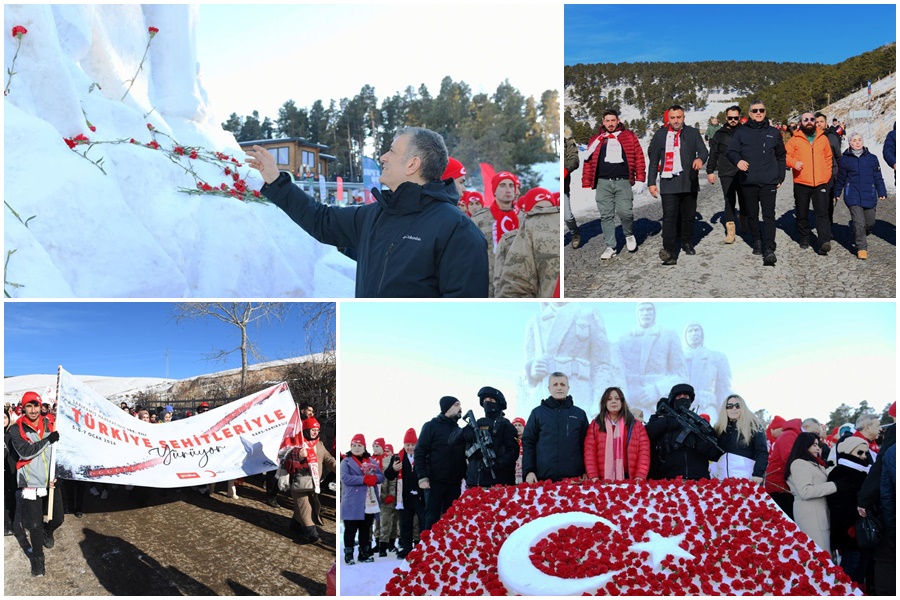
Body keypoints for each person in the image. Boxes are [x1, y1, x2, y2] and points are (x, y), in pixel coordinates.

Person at [247, 127, 489, 297]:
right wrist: (276, 180)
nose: (383, 156)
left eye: (392, 151)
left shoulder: (457, 230)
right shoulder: (373, 215)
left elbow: (463, 309)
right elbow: (320, 219)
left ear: (412, 164)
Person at [8, 392, 63, 577]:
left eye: (36, 405)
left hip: (51, 481)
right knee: (34, 524)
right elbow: (24, 452)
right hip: (31, 481)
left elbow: (60, 451)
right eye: (29, 406)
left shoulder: (50, 424)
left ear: (41, 407)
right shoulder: (16, 429)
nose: (33, 410)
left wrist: (58, 472)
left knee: (58, 518)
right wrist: (47, 440)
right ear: (23, 408)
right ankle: (38, 560)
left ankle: (50, 531)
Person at [726, 100, 786, 266]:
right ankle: (757, 240)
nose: (758, 113)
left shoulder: (773, 133)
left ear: (765, 112)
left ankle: (769, 247)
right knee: (752, 214)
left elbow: (781, 155)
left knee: (769, 214)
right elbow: (731, 151)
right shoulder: (741, 132)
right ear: (750, 114)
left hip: (768, 181)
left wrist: (780, 176)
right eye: (755, 111)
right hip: (748, 181)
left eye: (761, 110)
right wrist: (738, 161)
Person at [647, 104, 708, 265]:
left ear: (683, 117)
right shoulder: (660, 135)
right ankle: (669, 251)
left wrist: (700, 159)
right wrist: (651, 182)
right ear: (668, 118)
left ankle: (686, 241)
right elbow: (653, 161)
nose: (675, 121)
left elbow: (703, 151)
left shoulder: (692, 133)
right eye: (672, 118)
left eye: (678, 117)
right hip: (669, 183)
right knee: (669, 218)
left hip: (689, 182)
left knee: (688, 216)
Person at [581, 109, 645, 259]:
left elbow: (639, 157)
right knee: (606, 216)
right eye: (607, 121)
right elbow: (588, 161)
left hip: (623, 181)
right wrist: (585, 182)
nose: (610, 124)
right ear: (603, 122)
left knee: (625, 212)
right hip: (603, 183)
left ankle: (629, 234)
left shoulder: (629, 136)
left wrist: (640, 178)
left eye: (613, 120)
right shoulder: (596, 139)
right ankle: (611, 246)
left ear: (618, 121)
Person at [617, 302, 687, 419]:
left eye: (649, 309)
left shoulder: (668, 335)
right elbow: (617, 373)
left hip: (658, 403)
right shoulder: (623, 338)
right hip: (630, 403)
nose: (645, 313)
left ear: (654, 312)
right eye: (642, 310)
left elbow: (681, 375)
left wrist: (657, 390)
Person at [645, 383, 724, 480]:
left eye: (686, 396)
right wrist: (666, 422)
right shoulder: (661, 419)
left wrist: (705, 446)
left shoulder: (700, 423)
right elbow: (646, 434)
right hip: (669, 479)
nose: (683, 398)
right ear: (672, 400)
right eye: (679, 396)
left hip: (699, 480)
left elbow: (716, 454)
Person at [522, 372, 589, 483]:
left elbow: (586, 445)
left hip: (574, 479)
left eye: (562, 384)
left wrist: (586, 470)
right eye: (555, 384)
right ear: (549, 388)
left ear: (568, 388)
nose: (559, 388)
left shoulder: (579, 414)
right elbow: (528, 443)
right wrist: (529, 471)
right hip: (543, 479)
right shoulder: (537, 413)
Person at [495, 187, 560, 298]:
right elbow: (504, 282)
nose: (543, 214)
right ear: (527, 211)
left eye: (549, 209)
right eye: (538, 209)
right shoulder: (509, 240)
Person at [449, 386, 518, 488]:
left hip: (499, 483)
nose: (487, 403)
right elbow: (451, 440)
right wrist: (464, 432)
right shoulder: (477, 424)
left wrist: (498, 464)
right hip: (474, 482)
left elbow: (513, 451)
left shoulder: (506, 425)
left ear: (499, 403)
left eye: (491, 400)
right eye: (485, 400)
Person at [415, 396, 466, 530]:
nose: (460, 408)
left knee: (451, 520)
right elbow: (420, 452)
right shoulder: (431, 426)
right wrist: (422, 477)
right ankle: (427, 549)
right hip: (434, 481)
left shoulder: (459, 430)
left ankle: (447, 549)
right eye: (457, 405)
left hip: (454, 483)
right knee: (432, 519)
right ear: (447, 407)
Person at [785, 111, 834, 253]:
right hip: (801, 182)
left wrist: (826, 175)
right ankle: (804, 237)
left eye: (812, 119)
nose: (809, 121)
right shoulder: (794, 139)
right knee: (802, 212)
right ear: (801, 122)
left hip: (820, 182)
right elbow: (785, 156)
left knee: (822, 212)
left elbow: (828, 158)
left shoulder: (822, 138)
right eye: (805, 119)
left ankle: (824, 240)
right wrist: (794, 163)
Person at [827, 436, 873, 586]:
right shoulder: (839, 472)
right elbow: (836, 504)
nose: (864, 457)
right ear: (848, 451)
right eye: (860, 452)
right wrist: (850, 524)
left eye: (866, 453)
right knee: (849, 569)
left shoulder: (864, 472)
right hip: (848, 529)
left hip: (863, 528)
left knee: (861, 569)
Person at [282, 416, 335, 544]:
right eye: (312, 430)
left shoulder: (319, 445)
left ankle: (295, 524)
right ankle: (313, 534)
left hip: (314, 483)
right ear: (305, 430)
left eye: (317, 430)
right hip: (299, 483)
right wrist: (298, 456)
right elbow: (286, 460)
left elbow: (329, 460)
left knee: (305, 506)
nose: (315, 432)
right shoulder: (296, 444)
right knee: (305, 508)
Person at [834, 132, 887, 260]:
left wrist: (882, 191)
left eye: (859, 140)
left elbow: (878, 177)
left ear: (862, 142)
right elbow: (840, 178)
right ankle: (861, 247)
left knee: (869, 222)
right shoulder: (845, 160)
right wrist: (837, 192)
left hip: (869, 194)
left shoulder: (872, 158)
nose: (857, 143)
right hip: (853, 195)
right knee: (859, 222)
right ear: (849, 143)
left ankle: (861, 232)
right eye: (854, 140)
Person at [785, 431, 839, 554]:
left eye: (818, 445)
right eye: (814, 445)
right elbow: (805, 491)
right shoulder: (799, 463)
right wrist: (834, 486)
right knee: (818, 556)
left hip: (819, 515)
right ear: (804, 445)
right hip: (811, 516)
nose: (818, 448)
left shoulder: (813, 463)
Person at [583, 387, 650, 481]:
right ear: (604, 403)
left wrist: (640, 476)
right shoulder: (596, 425)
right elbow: (590, 452)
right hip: (602, 480)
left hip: (630, 479)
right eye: (609, 399)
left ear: (622, 402)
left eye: (617, 398)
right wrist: (593, 476)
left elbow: (644, 452)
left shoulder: (635, 425)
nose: (613, 401)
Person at [472, 171, 521, 297]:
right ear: (494, 190)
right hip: (486, 280)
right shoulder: (479, 219)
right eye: (503, 185)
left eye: (511, 186)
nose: (508, 189)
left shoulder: (524, 218)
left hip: (518, 281)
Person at [340, 433, 384, 564]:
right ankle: (348, 554)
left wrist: (374, 478)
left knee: (365, 529)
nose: (357, 448)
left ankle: (364, 553)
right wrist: (364, 479)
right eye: (354, 445)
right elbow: (345, 478)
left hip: (368, 502)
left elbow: (381, 476)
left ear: (364, 447)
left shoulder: (371, 462)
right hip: (352, 501)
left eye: (359, 445)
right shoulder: (346, 462)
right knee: (350, 529)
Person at [707, 106, 747, 243]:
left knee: (744, 198)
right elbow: (713, 153)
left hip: (743, 171)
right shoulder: (719, 134)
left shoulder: (745, 131)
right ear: (726, 118)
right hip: (726, 172)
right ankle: (731, 231)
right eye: (730, 118)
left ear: (740, 117)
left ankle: (744, 220)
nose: (733, 120)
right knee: (729, 200)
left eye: (736, 118)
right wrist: (710, 171)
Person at [384, 428, 425, 560]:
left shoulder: (422, 456)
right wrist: (393, 469)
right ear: (403, 445)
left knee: (422, 522)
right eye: (407, 445)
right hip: (404, 497)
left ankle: (421, 546)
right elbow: (388, 476)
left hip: (420, 496)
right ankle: (406, 548)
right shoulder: (397, 457)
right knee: (405, 524)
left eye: (413, 445)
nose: (410, 448)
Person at [682, 321, 733, 423]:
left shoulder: (716, 357)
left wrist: (729, 411)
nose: (693, 333)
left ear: (702, 334)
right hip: (684, 409)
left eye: (696, 330)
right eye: (690, 331)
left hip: (707, 407)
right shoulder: (678, 358)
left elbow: (724, 388)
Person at [710, 394, 767, 482]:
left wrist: (758, 473)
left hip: (746, 479)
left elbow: (761, 451)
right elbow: (714, 454)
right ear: (725, 409)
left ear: (743, 408)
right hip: (722, 479)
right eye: (729, 406)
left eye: (737, 406)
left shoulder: (753, 426)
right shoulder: (719, 428)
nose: (734, 409)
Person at [765, 416, 802, 518]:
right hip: (779, 484)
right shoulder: (789, 435)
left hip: (782, 484)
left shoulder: (791, 435)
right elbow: (788, 458)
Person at [375, 443, 399, 556]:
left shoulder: (389, 461)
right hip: (376, 497)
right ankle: (377, 542)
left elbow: (392, 479)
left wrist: (391, 494)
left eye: (388, 450)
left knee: (388, 522)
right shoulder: (373, 460)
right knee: (378, 522)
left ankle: (387, 544)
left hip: (387, 497)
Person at [564, 126, 582, 248]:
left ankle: (574, 233)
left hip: (563, 184)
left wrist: (566, 169)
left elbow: (574, 159)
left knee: (567, 216)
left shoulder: (567, 140)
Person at [512, 417, 526, 484]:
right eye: (515, 425)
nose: (517, 428)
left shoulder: (529, 442)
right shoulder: (509, 442)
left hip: (525, 477)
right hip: (512, 477)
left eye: (520, 425)